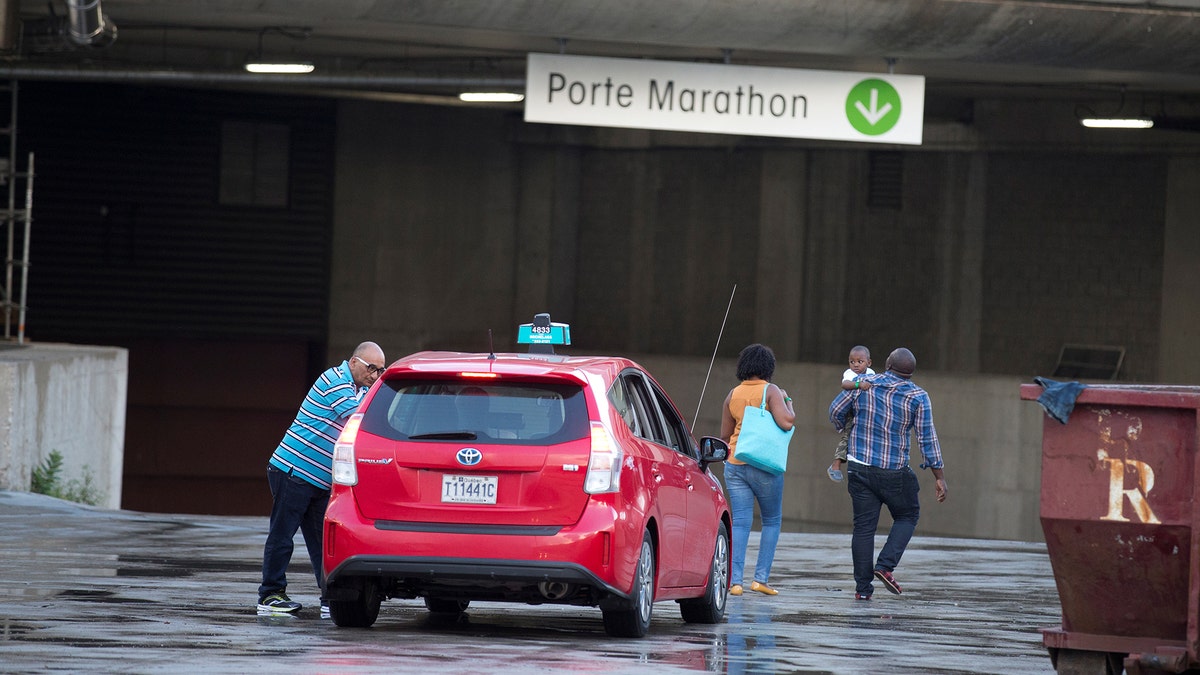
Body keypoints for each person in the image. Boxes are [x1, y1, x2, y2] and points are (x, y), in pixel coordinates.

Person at [256, 341, 386, 617]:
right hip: (293, 472)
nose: (374, 375)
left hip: (318, 481)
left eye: (380, 371)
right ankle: (269, 595)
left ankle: (331, 599)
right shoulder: (335, 381)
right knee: (282, 537)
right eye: (371, 368)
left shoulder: (358, 389)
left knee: (322, 545)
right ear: (353, 362)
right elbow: (360, 418)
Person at [828, 347, 947, 601]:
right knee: (908, 514)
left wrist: (845, 427)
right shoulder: (918, 396)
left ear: (885, 364)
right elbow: (927, 439)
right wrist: (939, 476)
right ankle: (885, 565)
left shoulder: (864, 383)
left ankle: (863, 591)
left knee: (863, 528)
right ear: (911, 373)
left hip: (859, 466)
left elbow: (835, 410)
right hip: (893, 471)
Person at [719, 343, 796, 597]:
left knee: (740, 523)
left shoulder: (732, 394)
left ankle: (736, 582)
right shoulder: (771, 390)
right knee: (771, 521)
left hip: (735, 465)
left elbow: (725, 435)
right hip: (764, 466)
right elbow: (787, 422)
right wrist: (787, 400)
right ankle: (760, 580)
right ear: (768, 368)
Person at [828, 345, 875, 482]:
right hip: (852, 413)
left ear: (869, 362)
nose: (855, 365)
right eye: (852, 362)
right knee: (847, 436)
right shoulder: (850, 374)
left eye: (860, 362)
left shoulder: (872, 374)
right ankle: (836, 464)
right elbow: (845, 385)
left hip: (866, 412)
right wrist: (858, 385)